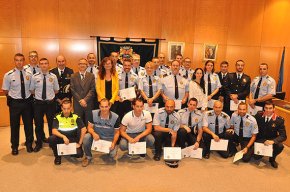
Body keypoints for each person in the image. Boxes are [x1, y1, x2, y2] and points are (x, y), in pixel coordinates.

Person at [2, 53, 34, 155]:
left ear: (24, 61)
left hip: (27, 102)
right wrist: (12, 99)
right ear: (14, 61)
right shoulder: (8, 75)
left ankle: (29, 144)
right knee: (14, 126)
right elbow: (6, 90)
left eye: (21, 60)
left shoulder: (29, 74)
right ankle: (14, 147)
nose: (19, 62)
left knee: (28, 125)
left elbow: (32, 88)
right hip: (15, 103)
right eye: (17, 60)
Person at [30, 58, 59, 152]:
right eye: (41, 64)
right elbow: (32, 90)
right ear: (39, 65)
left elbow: (56, 90)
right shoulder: (34, 77)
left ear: (48, 65)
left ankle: (52, 142)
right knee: (38, 124)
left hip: (50, 104)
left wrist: (49, 96)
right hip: (38, 104)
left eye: (45, 63)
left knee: (52, 124)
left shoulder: (53, 76)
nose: (44, 65)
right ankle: (39, 143)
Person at [82, 98, 120, 167]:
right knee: (86, 137)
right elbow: (89, 128)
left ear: (109, 106)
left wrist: (114, 143)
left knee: (112, 154)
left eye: (106, 107)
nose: (104, 109)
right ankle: (88, 157)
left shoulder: (116, 117)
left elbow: (117, 133)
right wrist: (93, 134)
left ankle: (110, 151)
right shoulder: (93, 113)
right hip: (97, 137)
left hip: (109, 138)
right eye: (102, 107)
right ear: (99, 106)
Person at [48, 99, 86, 165]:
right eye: (64, 108)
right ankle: (57, 156)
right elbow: (54, 131)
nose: (66, 111)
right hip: (61, 139)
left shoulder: (75, 116)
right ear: (61, 108)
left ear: (71, 108)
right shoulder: (57, 116)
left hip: (72, 139)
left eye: (68, 108)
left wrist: (79, 143)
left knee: (79, 154)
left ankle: (66, 150)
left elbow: (84, 128)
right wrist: (63, 136)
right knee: (51, 138)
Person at [254, 100, 287, 168]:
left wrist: (273, 141)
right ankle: (264, 152)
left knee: (280, 146)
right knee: (256, 157)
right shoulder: (258, 115)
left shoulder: (279, 120)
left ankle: (272, 159)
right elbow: (251, 120)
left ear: (274, 109)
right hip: (261, 139)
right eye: (266, 108)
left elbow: (283, 136)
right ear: (264, 108)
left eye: (270, 108)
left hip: (272, 139)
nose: (268, 110)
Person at [152, 100, 180, 168]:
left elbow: (175, 132)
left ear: (174, 107)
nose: (169, 109)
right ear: (165, 106)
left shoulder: (177, 116)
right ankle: (158, 153)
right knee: (157, 134)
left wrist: (172, 146)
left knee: (170, 144)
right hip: (159, 131)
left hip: (169, 134)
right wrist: (169, 129)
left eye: (171, 107)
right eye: (167, 107)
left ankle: (168, 151)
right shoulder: (158, 112)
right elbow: (156, 127)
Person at [70, 58, 96, 127]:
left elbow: (92, 89)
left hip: (88, 103)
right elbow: (72, 90)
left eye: (84, 64)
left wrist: (85, 100)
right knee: (78, 123)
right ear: (78, 65)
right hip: (77, 104)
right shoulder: (73, 76)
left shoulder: (91, 76)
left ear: (87, 65)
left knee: (89, 123)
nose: (82, 65)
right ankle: (79, 137)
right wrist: (80, 100)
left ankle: (88, 137)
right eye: (80, 64)